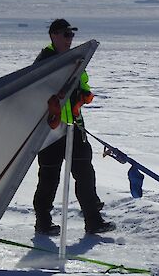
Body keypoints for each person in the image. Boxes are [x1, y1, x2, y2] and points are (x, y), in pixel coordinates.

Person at [32, 19, 115, 236]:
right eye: (65, 35)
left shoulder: (77, 60)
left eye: (71, 35)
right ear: (53, 36)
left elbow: (83, 86)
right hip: (50, 131)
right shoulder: (44, 62)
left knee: (85, 173)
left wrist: (83, 96)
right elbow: (35, 95)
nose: (69, 39)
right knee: (49, 177)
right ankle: (43, 222)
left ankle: (93, 220)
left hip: (74, 127)